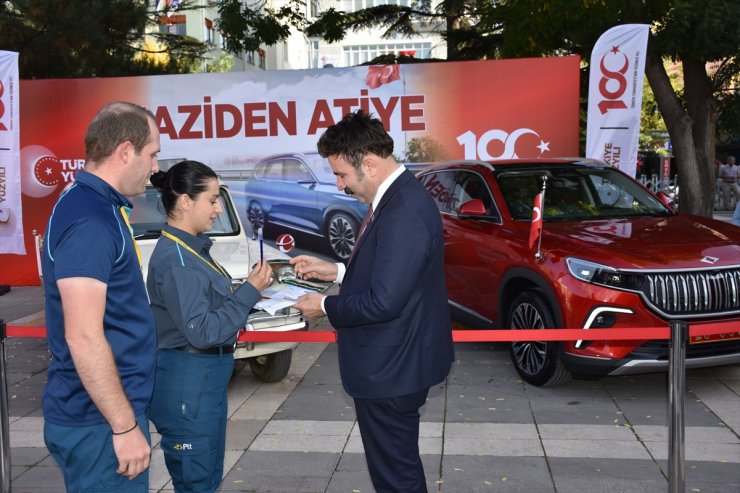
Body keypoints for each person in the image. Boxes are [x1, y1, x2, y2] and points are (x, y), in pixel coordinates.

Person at [290, 110, 455, 493]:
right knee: (396, 471)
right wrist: (338, 273)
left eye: (342, 174)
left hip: (392, 371)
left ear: (369, 163)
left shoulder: (404, 211)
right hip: (395, 365)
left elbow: (383, 302)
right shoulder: (397, 198)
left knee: (396, 478)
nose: (340, 184)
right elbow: (397, 278)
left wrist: (324, 307)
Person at [42, 101, 160, 491]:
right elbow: (83, 335)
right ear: (125, 151)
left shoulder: (95, 207)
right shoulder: (90, 220)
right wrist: (124, 426)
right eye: (152, 154)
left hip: (100, 416)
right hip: (99, 422)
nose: (155, 167)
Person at [146, 160, 272, 493]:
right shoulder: (178, 259)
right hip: (189, 383)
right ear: (186, 201)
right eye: (212, 199)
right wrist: (249, 291)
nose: (218, 209)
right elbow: (202, 331)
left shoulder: (192, 249)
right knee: (196, 482)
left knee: (207, 478)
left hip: (203, 382)